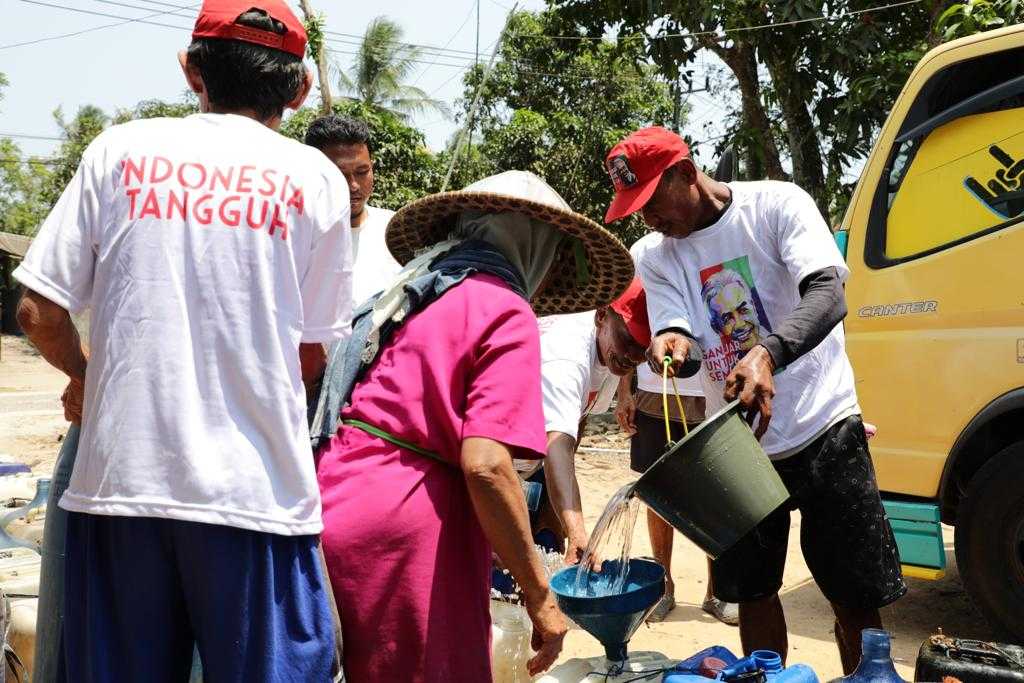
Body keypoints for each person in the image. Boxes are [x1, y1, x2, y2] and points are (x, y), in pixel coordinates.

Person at [14, 2, 353, 680]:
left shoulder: (119, 150)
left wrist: (86, 378)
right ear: (300, 90)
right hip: (255, 497)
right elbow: (313, 354)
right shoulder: (316, 178)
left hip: (120, 492)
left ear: (191, 71)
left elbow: (36, 309)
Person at [603, 126, 906, 674]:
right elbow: (681, 336)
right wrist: (672, 345)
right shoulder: (656, 255)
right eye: (634, 208)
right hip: (737, 446)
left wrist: (766, 354)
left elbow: (828, 293)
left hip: (824, 425)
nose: (647, 218)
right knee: (753, 591)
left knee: (851, 593)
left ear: (682, 172)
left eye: (651, 201)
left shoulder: (776, 205)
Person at [312, 170, 635, 682]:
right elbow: (486, 465)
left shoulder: (420, 291)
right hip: (405, 525)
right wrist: (541, 595)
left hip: (338, 500)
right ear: (534, 243)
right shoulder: (505, 309)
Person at [615, 233, 739, 626]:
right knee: (658, 492)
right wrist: (625, 390)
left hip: (710, 389)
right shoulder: (642, 250)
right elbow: (626, 320)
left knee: (715, 491)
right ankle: (663, 585)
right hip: (654, 391)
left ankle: (718, 591)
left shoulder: (710, 242)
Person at [529, 278, 650, 565]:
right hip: (489, 463)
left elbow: (577, 422)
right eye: (628, 341)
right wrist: (577, 532)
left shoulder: (610, 351)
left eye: (642, 350)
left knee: (546, 554)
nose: (631, 357)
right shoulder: (567, 357)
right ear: (601, 316)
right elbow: (556, 443)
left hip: (534, 466)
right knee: (500, 582)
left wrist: (554, 506)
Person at [305, 114, 402, 305]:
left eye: (362, 172)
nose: (354, 186)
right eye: (339, 175)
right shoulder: (295, 235)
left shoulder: (397, 231)